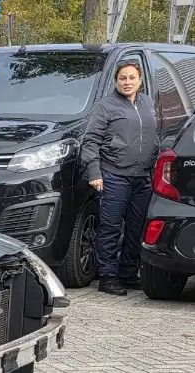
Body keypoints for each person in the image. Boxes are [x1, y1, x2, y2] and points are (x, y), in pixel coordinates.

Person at [80, 61, 159, 296]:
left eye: (132, 78)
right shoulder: (105, 106)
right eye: (122, 78)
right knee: (111, 227)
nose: (127, 82)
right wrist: (94, 172)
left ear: (140, 80)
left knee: (136, 228)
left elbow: (155, 135)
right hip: (114, 175)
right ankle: (107, 277)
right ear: (116, 81)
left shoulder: (147, 103)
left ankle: (128, 273)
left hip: (143, 177)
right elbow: (90, 141)